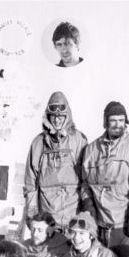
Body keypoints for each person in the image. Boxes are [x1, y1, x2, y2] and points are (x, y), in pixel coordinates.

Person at [81, 101, 129, 248]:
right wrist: (89, 209)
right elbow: (85, 184)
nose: (117, 125)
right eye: (113, 120)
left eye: (121, 120)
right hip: (99, 227)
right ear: (105, 122)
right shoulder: (92, 149)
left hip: (125, 227)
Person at [24, 91, 88, 230]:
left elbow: (86, 179)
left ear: (67, 116)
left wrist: (86, 213)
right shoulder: (38, 143)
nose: (57, 120)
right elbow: (31, 184)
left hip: (73, 217)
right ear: (48, 116)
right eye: (53, 116)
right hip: (48, 219)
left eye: (61, 116)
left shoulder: (79, 140)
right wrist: (32, 215)